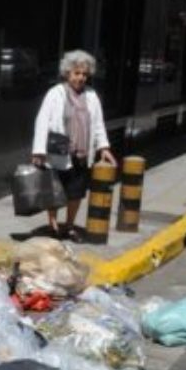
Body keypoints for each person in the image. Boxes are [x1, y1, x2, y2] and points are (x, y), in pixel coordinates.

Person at [31, 49, 117, 240]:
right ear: (68, 73)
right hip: (58, 152)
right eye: (77, 73)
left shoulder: (92, 95)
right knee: (53, 191)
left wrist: (103, 147)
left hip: (81, 153)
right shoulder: (56, 93)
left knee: (75, 193)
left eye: (85, 74)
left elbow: (97, 123)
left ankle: (69, 226)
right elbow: (42, 121)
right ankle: (53, 224)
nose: (81, 78)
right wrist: (38, 151)